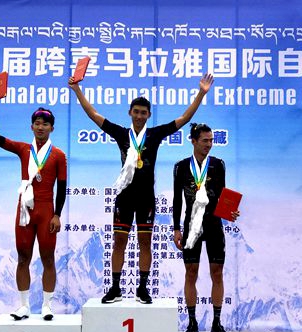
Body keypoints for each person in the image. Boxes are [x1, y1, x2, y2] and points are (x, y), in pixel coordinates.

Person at [69, 74, 214, 304]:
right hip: (124, 197)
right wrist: (77, 90)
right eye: (136, 112)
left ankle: (143, 288)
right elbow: (93, 115)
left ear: (148, 115)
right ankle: (115, 288)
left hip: (146, 198)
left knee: (145, 243)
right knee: (119, 242)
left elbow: (185, 118)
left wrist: (201, 93)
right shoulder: (121, 134)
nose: (139, 116)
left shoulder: (154, 135)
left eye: (143, 112)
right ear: (130, 113)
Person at [0, 93, 67, 321]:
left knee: (48, 258)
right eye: (37, 123)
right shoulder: (23, 149)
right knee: (23, 257)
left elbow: (62, 187)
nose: (40, 127)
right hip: (25, 210)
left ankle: (47, 306)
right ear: (31, 126)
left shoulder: (58, 155)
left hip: (46, 210)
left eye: (45, 124)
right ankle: (24, 306)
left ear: (52, 128)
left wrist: (57, 215)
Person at [172, 123, 239, 332]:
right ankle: (192, 323)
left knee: (217, 273)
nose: (209, 144)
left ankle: (217, 323)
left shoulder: (218, 165)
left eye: (211, 140)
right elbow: (177, 200)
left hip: (213, 225)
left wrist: (231, 211)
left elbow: (223, 195)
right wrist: (176, 228)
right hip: (191, 225)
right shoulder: (181, 167)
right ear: (193, 141)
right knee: (191, 272)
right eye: (205, 141)